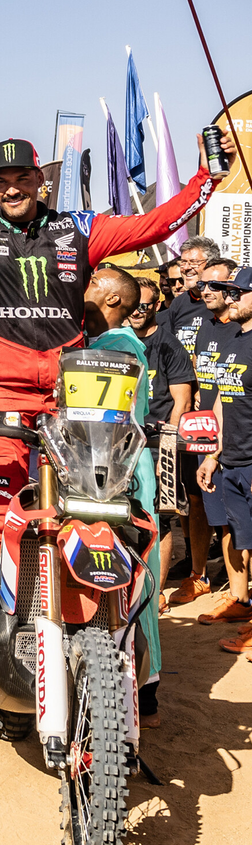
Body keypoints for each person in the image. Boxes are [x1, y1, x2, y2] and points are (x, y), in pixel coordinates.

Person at [0, 123, 228, 665]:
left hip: (73, 395)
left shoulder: (79, 229)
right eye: (2, 180)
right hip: (3, 393)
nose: (12, 189)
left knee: (95, 504)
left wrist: (208, 175)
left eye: (23, 178)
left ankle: (104, 621)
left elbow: (158, 222)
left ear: (41, 180)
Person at [82, 267, 165, 726]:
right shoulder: (105, 345)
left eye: (95, 282)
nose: (84, 284)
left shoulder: (115, 349)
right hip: (112, 473)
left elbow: (104, 427)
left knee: (132, 580)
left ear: (113, 300)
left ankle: (143, 688)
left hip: (120, 478)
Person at [172, 257, 239, 606]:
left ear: (233, 289)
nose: (206, 290)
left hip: (239, 431)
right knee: (200, 503)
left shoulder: (243, 329)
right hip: (205, 429)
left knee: (237, 515)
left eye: (216, 285)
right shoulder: (207, 325)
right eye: (204, 284)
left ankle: (239, 587)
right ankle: (200, 575)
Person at [196, 268, 252, 654]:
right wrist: (213, 454)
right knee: (243, 539)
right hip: (229, 459)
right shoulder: (234, 338)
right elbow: (220, 398)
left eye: (238, 293)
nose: (229, 299)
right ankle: (243, 604)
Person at [130, 276, 195, 601]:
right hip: (121, 445)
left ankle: (154, 596)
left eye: (145, 305)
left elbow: (181, 402)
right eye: (133, 305)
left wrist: (166, 457)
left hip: (159, 446)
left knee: (161, 519)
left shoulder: (169, 345)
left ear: (157, 305)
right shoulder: (119, 342)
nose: (138, 311)